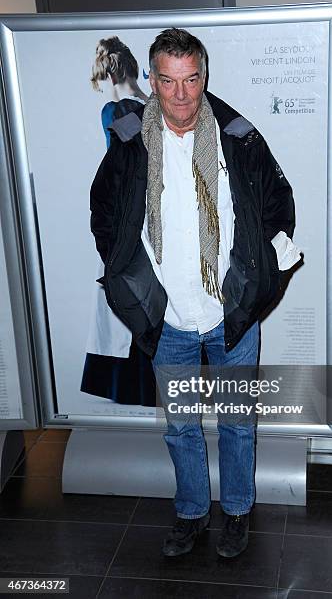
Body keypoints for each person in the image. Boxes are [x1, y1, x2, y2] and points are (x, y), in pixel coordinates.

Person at [89, 28, 296, 558]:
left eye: (191, 79)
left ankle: (237, 512)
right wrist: (127, 281)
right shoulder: (131, 143)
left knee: (236, 423)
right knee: (181, 427)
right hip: (169, 317)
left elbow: (277, 208)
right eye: (168, 81)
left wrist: (260, 282)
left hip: (230, 313)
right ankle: (191, 512)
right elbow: (105, 215)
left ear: (204, 76)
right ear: (152, 80)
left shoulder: (240, 137)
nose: (181, 95)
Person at [81, 36, 156, 406]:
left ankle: (130, 388)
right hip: (153, 217)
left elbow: (119, 169)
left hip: (128, 217)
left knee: (124, 298)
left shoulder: (114, 112)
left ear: (109, 72)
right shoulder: (154, 104)